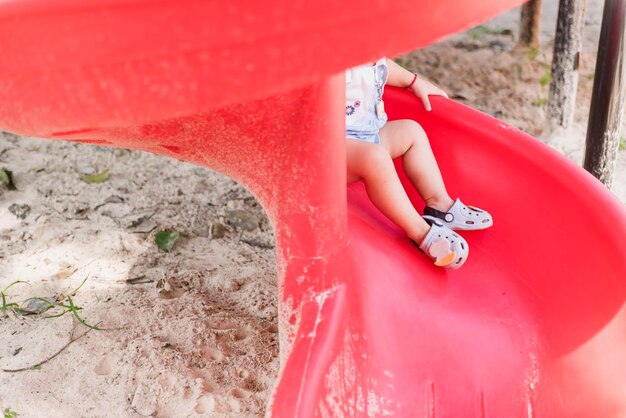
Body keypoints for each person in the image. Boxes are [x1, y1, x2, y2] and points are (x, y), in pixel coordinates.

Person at [345, 57, 492, 269]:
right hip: (331, 151)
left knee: (411, 131)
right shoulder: (333, 67)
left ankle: (440, 204)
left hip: (366, 137)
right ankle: (421, 233)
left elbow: (385, 67)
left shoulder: (371, 55)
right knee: (375, 158)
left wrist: (414, 82)